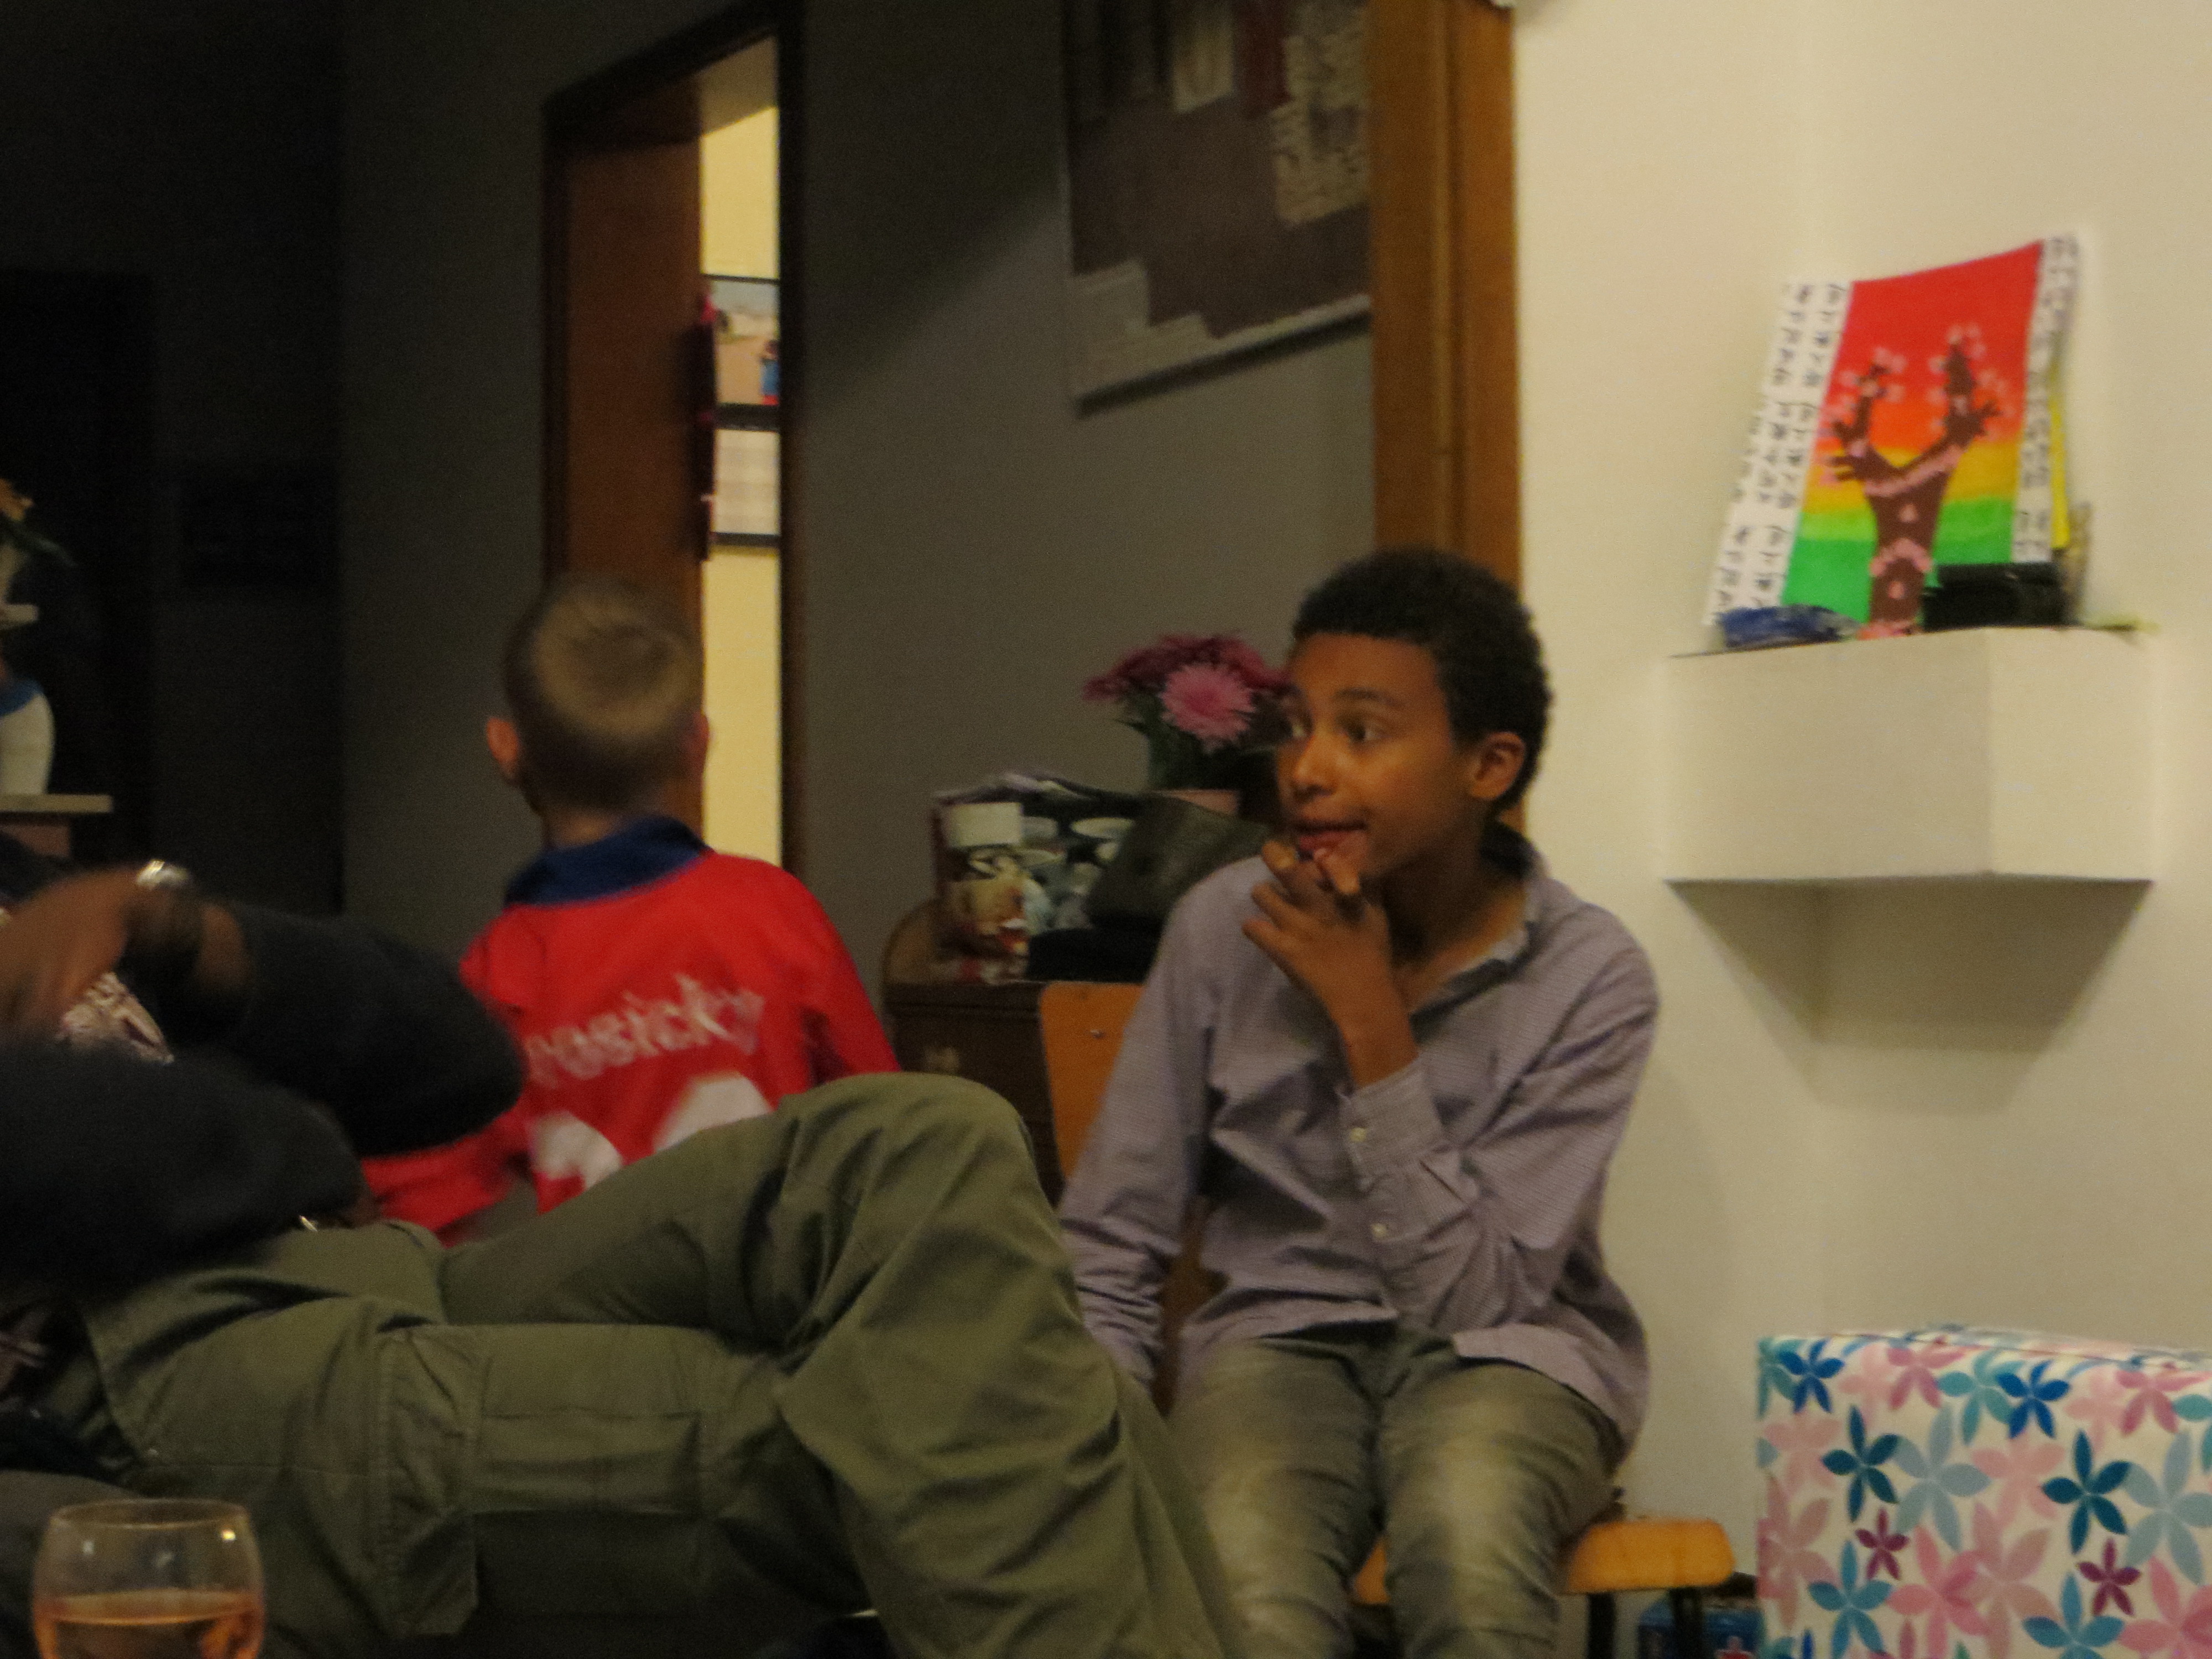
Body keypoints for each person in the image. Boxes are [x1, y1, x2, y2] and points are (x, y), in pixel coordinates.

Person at [0, 863, 1243, 1659]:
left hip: (372, 1273)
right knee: (949, 1413)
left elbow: (460, 1062)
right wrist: (289, 1140)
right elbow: (124, 1152)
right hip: (149, 1371)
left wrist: (176, 931)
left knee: (930, 1146)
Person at [1060, 549, 1655, 1659]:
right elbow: (1111, 1235)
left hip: (1512, 1354)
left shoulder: (1588, 976)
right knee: (1244, 1584)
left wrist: (1368, 1019)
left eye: (1363, 733)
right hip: (1277, 1346)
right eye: (1297, 728)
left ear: (1487, 765)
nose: (1309, 770)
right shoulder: (1220, 926)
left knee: (1466, 1533)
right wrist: (1101, 1447)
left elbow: (1477, 1300)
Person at [366, 575, 895, 1239]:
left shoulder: (501, 975)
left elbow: (416, 1204)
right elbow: (888, 1124)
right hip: (788, 1294)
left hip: (601, 1303)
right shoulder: (774, 910)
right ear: (697, 745)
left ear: (505, 750)